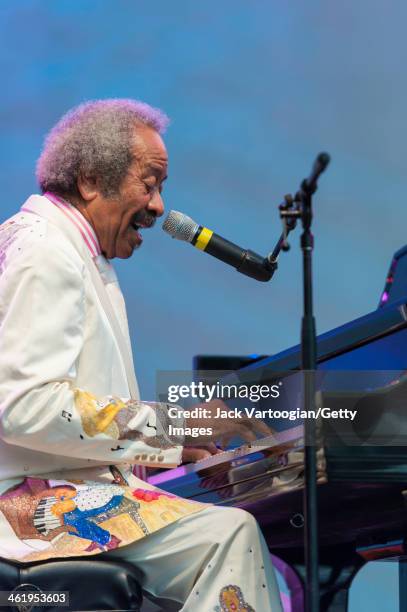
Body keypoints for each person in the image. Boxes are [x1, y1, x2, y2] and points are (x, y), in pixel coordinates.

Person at [0, 99, 282, 611]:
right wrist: (179, 427)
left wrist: (169, 456)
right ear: (90, 180)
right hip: (21, 508)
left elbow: (54, 428)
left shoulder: (57, 244)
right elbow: (25, 408)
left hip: (46, 489)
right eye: (148, 185)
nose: (158, 207)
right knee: (228, 535)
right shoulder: (47, 252)